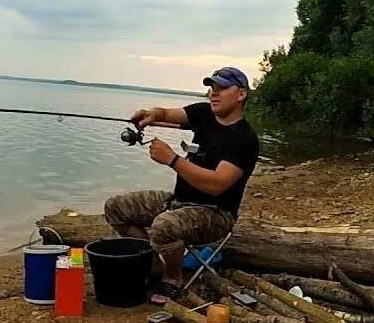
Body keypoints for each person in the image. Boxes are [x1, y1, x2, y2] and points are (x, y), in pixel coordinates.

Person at [104, 66, 260, 300]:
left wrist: (172, 159)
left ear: (241, 94)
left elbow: (217, 185)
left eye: (222, 88)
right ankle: (153, 264)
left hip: (216, 214)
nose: (213, 94)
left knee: (164, 225)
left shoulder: (244, 139)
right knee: (115, 207)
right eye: (212, 88)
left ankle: (172, 277)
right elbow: (165, 114)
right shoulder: (204, 114)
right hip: (178, 201)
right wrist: (151, 114)